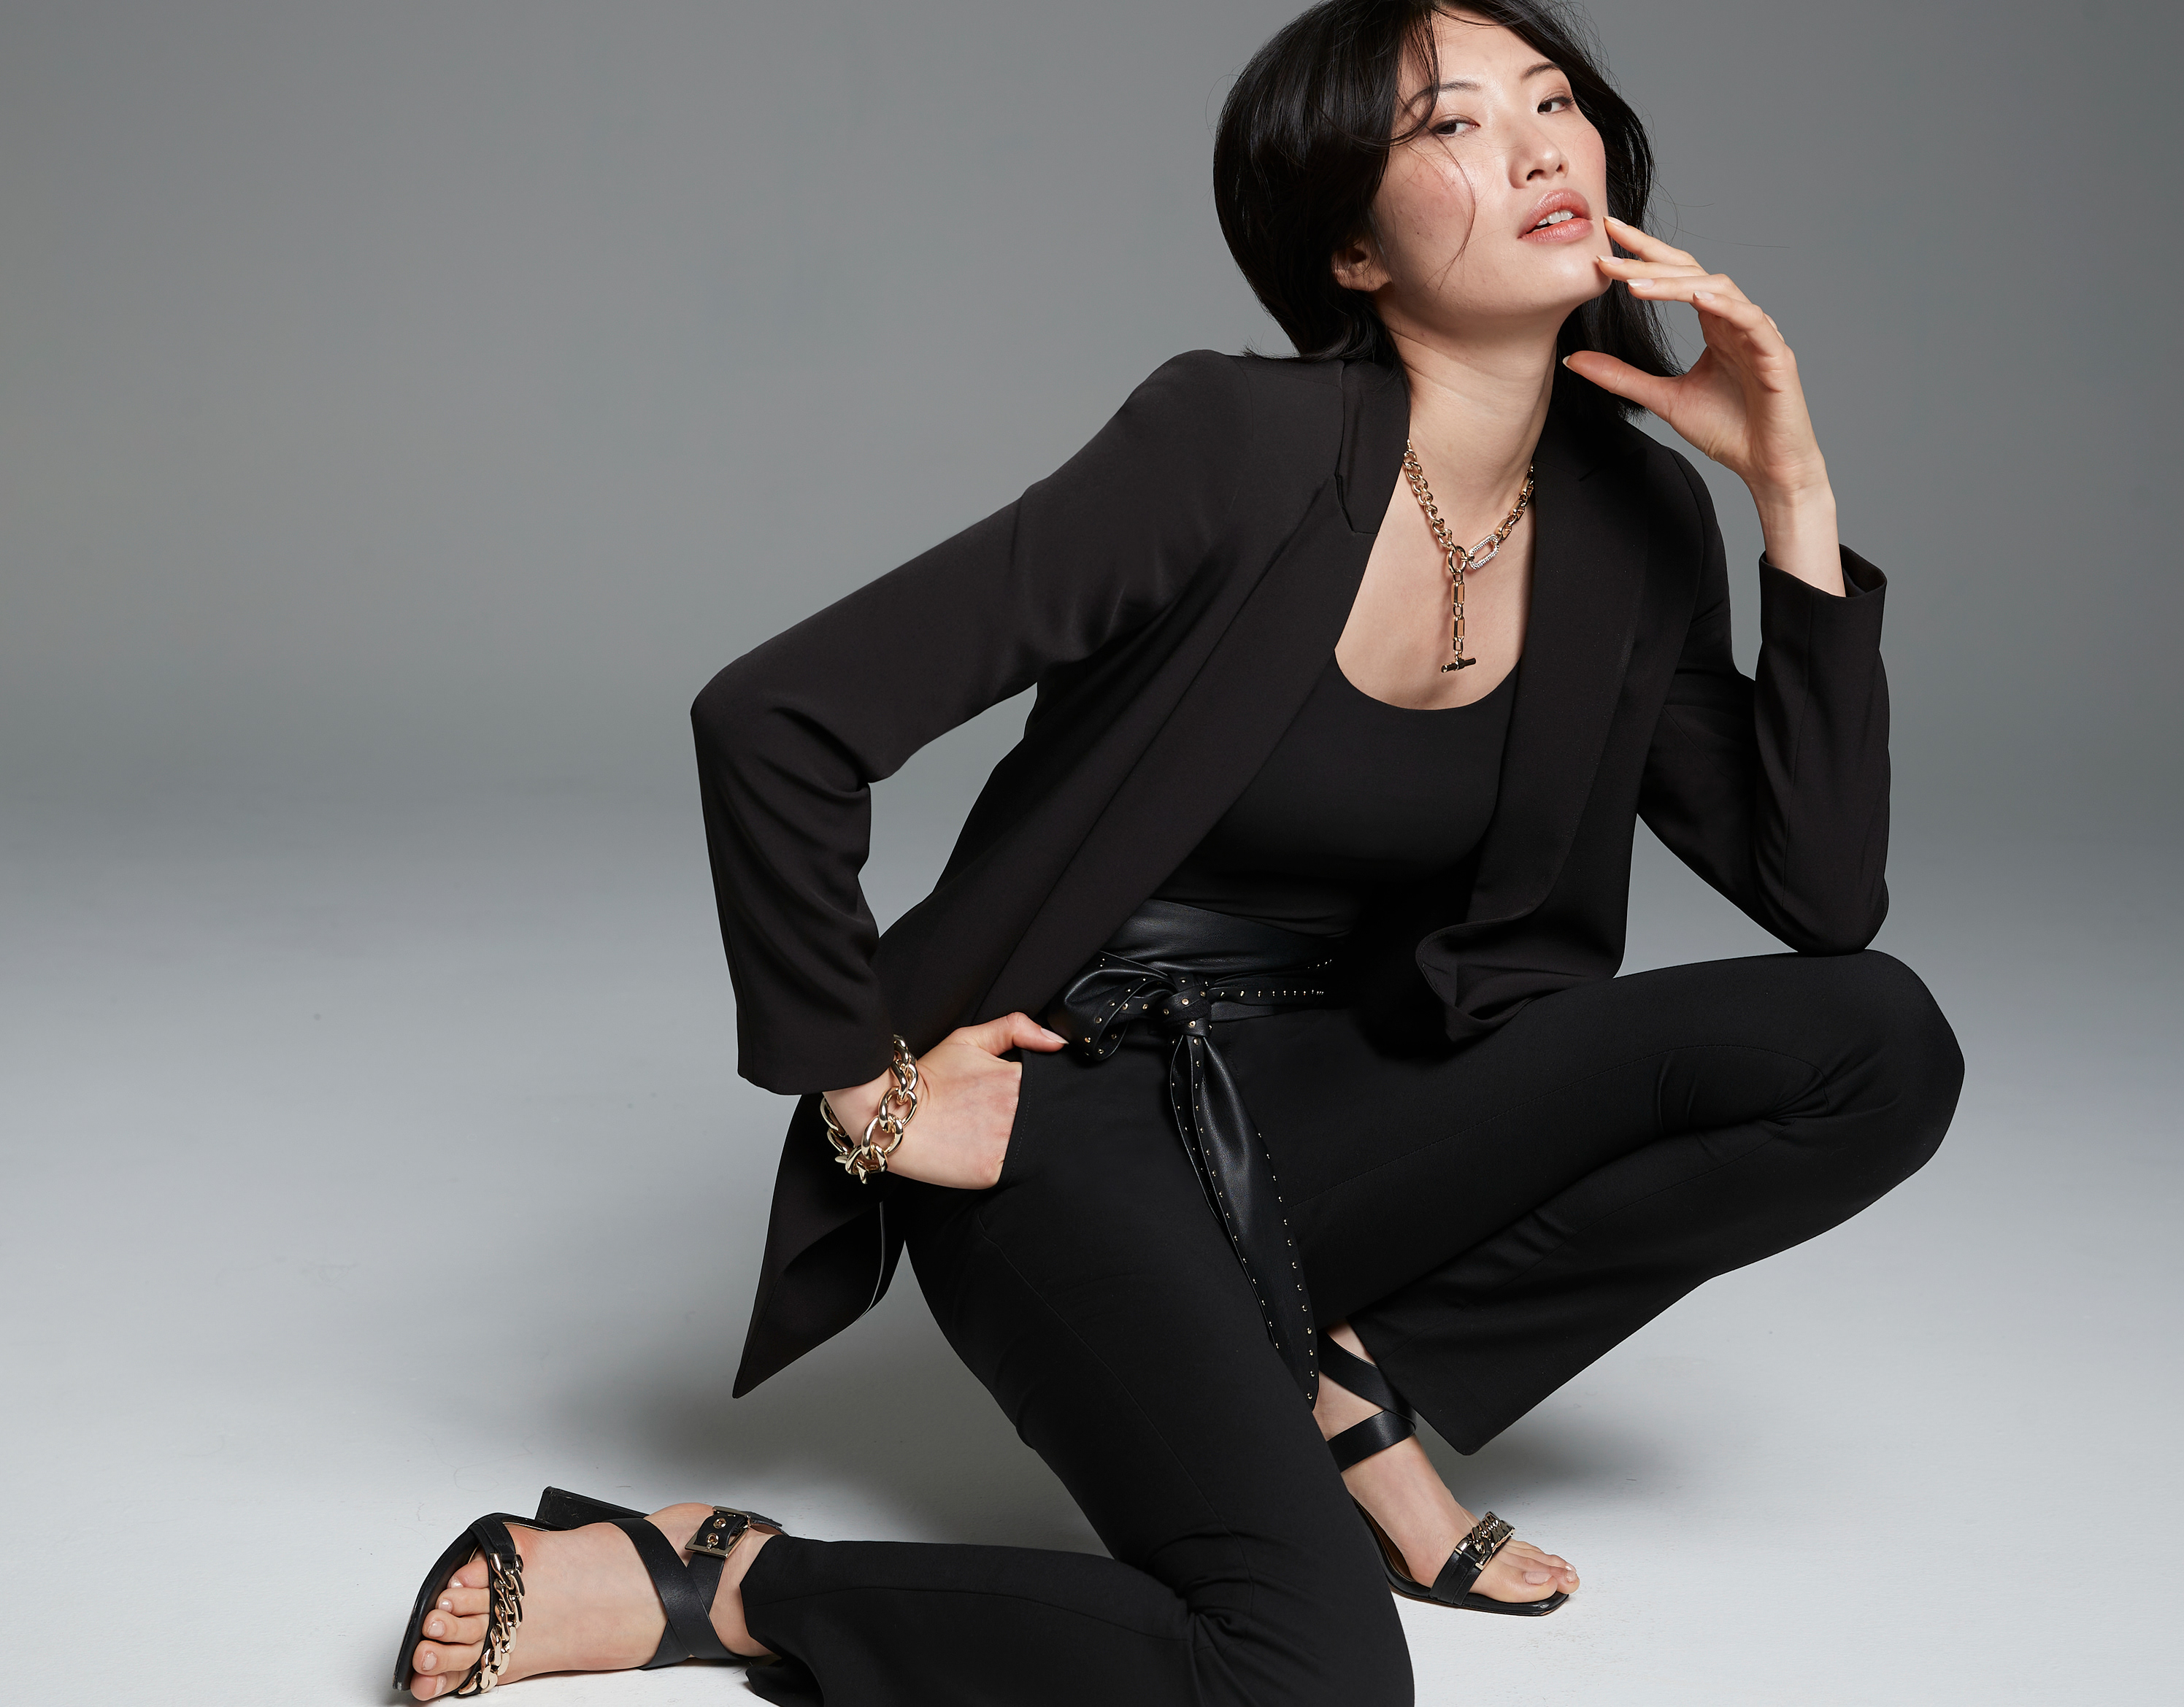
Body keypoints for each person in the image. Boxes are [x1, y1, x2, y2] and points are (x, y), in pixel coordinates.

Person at [390, 2, 1964, 1701]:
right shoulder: (1231, 444)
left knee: (1873, 1040)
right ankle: (735, 1582)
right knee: (1306, 1681)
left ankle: (1359, 1382)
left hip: (1344, 1095)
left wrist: (1789, 499)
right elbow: (775, 719)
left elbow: (1819, 897)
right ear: (1349, 249)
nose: (1533, 148)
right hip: (1068, 1107)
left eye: (1550, 101)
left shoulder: (1632, 520)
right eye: (1448, 124)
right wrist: (866, 1088)